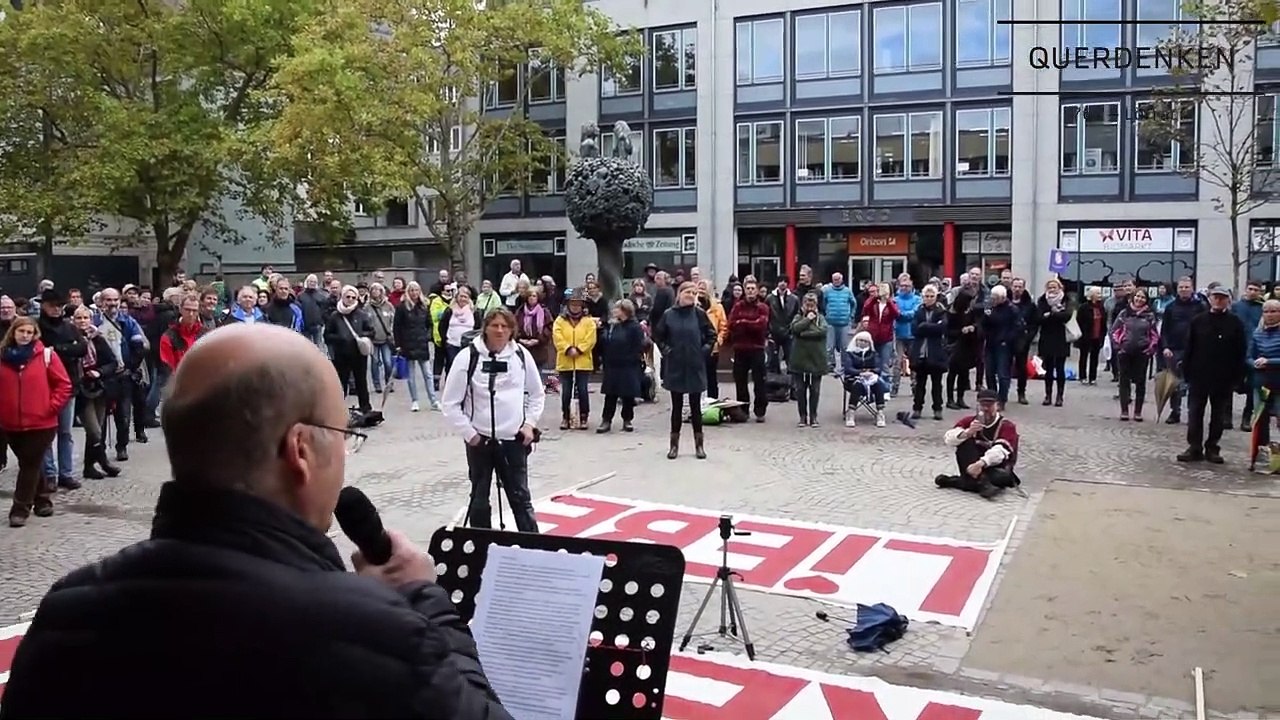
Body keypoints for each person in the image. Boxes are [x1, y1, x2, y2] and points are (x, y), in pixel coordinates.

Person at [2, 323, 514, 717]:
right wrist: (425, 600)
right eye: (343, 436)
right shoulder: (375, 633)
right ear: (300, 451)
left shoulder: (68, 614)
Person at [441, 308, 544, 534]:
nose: (499, 330)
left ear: (511, 330)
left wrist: (529, 424)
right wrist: (471, 435)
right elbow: (449, 403)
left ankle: (535, 545)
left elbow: (537, 394)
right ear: (485, 328)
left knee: (520, 497)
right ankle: (481, 546)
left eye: (504, 326)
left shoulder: (521, 355)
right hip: (480, 442)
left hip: (513, 440)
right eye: (494, 325)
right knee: (479, 499)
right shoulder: (468, 357)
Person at [0, 317, 73, 526]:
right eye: (21, 331)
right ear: (13, 333)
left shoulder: (46, 355)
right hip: (11, 423)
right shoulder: (3, 356)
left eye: (29, 332)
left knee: (30, 464)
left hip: (42, 423)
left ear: (35, 334)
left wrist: (50, 407)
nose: (25, 335)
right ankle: (42, 499)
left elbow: (63, 385)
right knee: (29, 463)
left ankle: (20, 508)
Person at [1178, 286, 1247, 464]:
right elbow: (1189, 348)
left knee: (1218, 416)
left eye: (1222, 298)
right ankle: (1194, 447)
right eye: (1215, 297)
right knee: (1194, 414)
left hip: (1223, 378)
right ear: (1209, 298)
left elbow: (1240, 352)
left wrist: (1238, 378)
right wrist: (1186, 372)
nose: (1218, 300)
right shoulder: (1198, 321)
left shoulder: (1236, 323)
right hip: (1199, 376)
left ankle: (1212, 448)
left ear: (1228, 301)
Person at [653, 282, 715, 459]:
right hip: (676, 365)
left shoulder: (699, 314)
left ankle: (699, 445)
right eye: (688, 291)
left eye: (694, 292)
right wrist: (667, 351)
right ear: (679, 294)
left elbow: (712, 335)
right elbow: (658, 335)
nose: (691, 295)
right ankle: (674, 446)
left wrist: (704, 351)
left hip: (695, 365)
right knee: (677, 407)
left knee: (695, 408)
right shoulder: (669, 315)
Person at [37, 288, 87, 491]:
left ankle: (65, 473)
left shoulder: (69, 327)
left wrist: (59, 349)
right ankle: (49, 473)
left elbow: (82, 348)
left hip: (68, 384)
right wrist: (67, 349)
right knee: (47, 433)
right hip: (43, 386)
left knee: (65, 432)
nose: (57, 309)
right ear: (44, 306)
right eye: (52, 306)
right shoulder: (37, 326)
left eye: (59, 306)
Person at [935, 389, 1021, 500]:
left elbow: (1001, 450)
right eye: (982, 405)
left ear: (997, 406)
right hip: (971, 466)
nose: (985, 409)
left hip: (994, 467)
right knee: (965, 442)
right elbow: (948, 438)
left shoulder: (1006, 426)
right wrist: (967, 433)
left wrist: (981, 463)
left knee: (1001, 478)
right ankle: (982, 484)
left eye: (989, 405)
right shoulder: (969, 421)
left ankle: (956, 482)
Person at [71, 305, 121, 481]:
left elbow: (112, 362)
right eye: (79, 318)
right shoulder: (70, 339)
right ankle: (102, 460)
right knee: (94, 431)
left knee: (97, 430)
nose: (82, 322)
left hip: (98, 387)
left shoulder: (98, 338)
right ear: (73, 320)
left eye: (85, 318)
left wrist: (99, 372)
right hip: (80, 390)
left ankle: (89, 465)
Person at [1159, 277, 1206, 424]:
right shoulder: (1171, 307)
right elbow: (1164, 330)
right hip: (1174, 349)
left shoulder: (1201, 307)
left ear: (1192, 288)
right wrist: (1165, 347)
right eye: (1181, 287)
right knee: (1174, 384)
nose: (1184, 290)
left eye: (1187, 287)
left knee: (1194, 384)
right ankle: (1175, 412)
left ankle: (1193, 413)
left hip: (1195, 350)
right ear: (1177, 289)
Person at [1110, 288, 1160, 421]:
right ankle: (1124, 410)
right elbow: (1114, 331)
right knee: (1124, 381)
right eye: (1137, 296)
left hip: (1142, 353)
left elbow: (1154, 335)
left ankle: (1138, 411)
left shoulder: (1149, 316)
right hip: (1125, 352)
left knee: (1140, 382)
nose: (1139, 299)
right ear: (1132, 297)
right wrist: (1118, 347)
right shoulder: (1124, 313)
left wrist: (1150, 349)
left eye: (1143, 297)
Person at [597, 299, 646, 433]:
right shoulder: (612, 325)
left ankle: (627, 419)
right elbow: (604, 342)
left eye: (617, 309)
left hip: (629, 364)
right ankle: (606, 420)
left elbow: (639, 345)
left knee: (627, 394)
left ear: (625, 311)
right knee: (610, 394)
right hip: (612, 364)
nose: (614, 311)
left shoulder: (634, 327)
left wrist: (632, 357)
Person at [325, 285, 375, 414]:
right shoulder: (335, 316)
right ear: (343, 297)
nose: (351, 299)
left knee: (361, 382)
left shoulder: (362, 314)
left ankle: (365, 407)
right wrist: (341, 338)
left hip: (359, 354)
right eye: (348, 297)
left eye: (353, 297)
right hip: (341, 354)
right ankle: (338, 409)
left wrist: (362, 337)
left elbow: (371, 331)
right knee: (342, 382)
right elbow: (327, 335)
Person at [727, 279, 771, 422]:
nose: (750, 291)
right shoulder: (738, 306)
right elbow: (732, 324)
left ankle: (760, 411)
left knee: (760, 381)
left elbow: (761, 325)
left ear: (757, 291)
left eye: (753, 288)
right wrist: (749, 323)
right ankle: (743, 410)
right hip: (740, 348)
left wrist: (743, 322)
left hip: (757, 348)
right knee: (740, 381)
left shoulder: (763, 307)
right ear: (744, 290)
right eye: (748, 288)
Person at [552, 290, 597, 430]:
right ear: (568, 305)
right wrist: (567, 348)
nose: (575, 307)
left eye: (578, 304)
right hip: (565, 360)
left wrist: (579, 349)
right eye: (573, 304)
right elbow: (557, 337)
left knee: (583, 390)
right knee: (566, 391)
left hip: (583, 361)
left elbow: (591, 339)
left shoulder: (588, 321)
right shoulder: (560, 320)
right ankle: (566, 417)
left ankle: (583, 417)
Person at [393, 281, 440, 412]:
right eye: (412, 290)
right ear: (408, 292)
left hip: (421, 343)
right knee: (411, 375)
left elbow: (429, 323)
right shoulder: (402, 307)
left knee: (428, 374)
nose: (414, 293)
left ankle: (433, 400)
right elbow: (396, 327)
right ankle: (415, 400)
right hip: (408, 344)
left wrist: (427, 336)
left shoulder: (424, 306)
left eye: (416, 290)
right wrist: (398, 344)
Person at [980, 284, 1023, 411]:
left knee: (1003, 374)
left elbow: (1016, 328)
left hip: (1004, 345)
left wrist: (1007, 340)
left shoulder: (1012, 309)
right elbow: (984, 324)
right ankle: (992, 398)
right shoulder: (990, 308)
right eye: (992, 297)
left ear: (1003, 297)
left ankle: (1002, 399)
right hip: (990, 343)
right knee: (989, 372)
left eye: (995, 297)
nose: (993, 299)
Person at [788, 292, 828, 427]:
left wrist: (804, 334)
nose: (810, 307)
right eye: (807, 304)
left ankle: (814, 416)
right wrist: (807, 320)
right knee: (800, 390)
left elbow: (822, 331)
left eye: (813, 304)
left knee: (815, 390)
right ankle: (802, 416)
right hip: (800, 359)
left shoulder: (821, 318)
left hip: (816, 359)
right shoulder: (798, 317)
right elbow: (795, 328)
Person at [911, 284, 949, 420]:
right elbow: (915, 329)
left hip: (936, 352)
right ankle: (917, 408)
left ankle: (938, 409)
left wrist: (925, 326)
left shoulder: (941, 310)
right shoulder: (919, 310)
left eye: (931, 296)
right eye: (926, 296)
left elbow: (942, 328)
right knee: (919, 384)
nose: (929, 299)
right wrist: (931, 327)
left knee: (937, 385)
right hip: (921, 352)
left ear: (936, 297)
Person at [1035, 278, 1073, 407]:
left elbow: (1067, 315)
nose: (1052, 289)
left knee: (1060, 368)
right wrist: (1054, 315)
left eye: (1054, 287)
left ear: (1060, 288)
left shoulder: (1066, 299)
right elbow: (1038, 318)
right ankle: (1048, 395)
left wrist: (1050, 315)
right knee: (1048, 368)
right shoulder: (1042, 300)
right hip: (1047, 337)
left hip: (1062, 337)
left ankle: (1060, 396)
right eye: (1050, 287)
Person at [842, 330, 887, 428]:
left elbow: (879, 368)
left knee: (878, 384)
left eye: (865, 341)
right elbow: (848, 368)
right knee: (857, 385)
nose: (862, 343)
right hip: (853, 379)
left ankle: (880, 413)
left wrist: (870, 372)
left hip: (871, 378)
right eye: (860, 340)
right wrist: (861, 373)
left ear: (869, 343)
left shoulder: (873, 354)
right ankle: (851, 413)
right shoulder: (850, 353)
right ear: (856, 341)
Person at [159, 293, 208, 373]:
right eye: (187, 310)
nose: (191, 314)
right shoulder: (169, 336)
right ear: (180, 309)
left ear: (198, 311)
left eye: (194, 310)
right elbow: (168, 368)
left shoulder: (206, 334)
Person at [439, 285, 481, 373]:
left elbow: (478, 329)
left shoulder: (474, 312)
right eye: (461, 296)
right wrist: (445, 339)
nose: (463, 299)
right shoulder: (449, 310)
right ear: (457, 297)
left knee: (466, 369)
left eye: (465, 297)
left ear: (469, 298)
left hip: (468, 346)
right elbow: (442, 326)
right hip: (452, 344)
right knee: (452, 368)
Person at [365, 283, 397, 395]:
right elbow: (364, 322)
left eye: (377, 290)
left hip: (385, 339)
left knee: (387, 362)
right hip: (373, 339)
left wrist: (392, 332)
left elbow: (394, 320)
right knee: (375, 362)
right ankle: (377, 384)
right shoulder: (367, 307)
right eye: (373, 290)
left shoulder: (388, 306)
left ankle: (389, 383)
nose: (375, 292)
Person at [892, 274, 921, 397]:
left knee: (914, 362)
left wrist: (901, 314)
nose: (904, 288)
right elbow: (894, 313)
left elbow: (915, 312)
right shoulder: (895, 299)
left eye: (907, 285)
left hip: (913, 334)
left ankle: (915, 386)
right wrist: (902, 314)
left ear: (911, 286)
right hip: (899, 334)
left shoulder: (917, 299)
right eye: (902, 285)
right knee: (897, 362)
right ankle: (894, 387)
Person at [822, 272, 856, 370]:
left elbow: (854, 303)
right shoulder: (827, 291)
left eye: (838, 279)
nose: (836, 281)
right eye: (834, 279)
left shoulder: (847, 291)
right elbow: (823, 303)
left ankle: (845, 366)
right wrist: (826, 315)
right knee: (829, 346)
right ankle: (829, 366)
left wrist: (851, 316)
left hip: (844, 323)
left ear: (841, 280)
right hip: (830, 323)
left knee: (845, 347)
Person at [1074, 286, 1107, 386]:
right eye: (1097, 293)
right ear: (1091, 295)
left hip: (1097, 336)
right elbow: (1079, 321)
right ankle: (1082, 376)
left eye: (1100, 293)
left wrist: (1103, 335)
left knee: (1094, 357)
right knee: (1083, 356)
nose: (1100, 295)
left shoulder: (1101, 307)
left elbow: (1103, 322)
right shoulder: (1084, 307)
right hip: (1085, 336)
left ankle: (1093, 377)